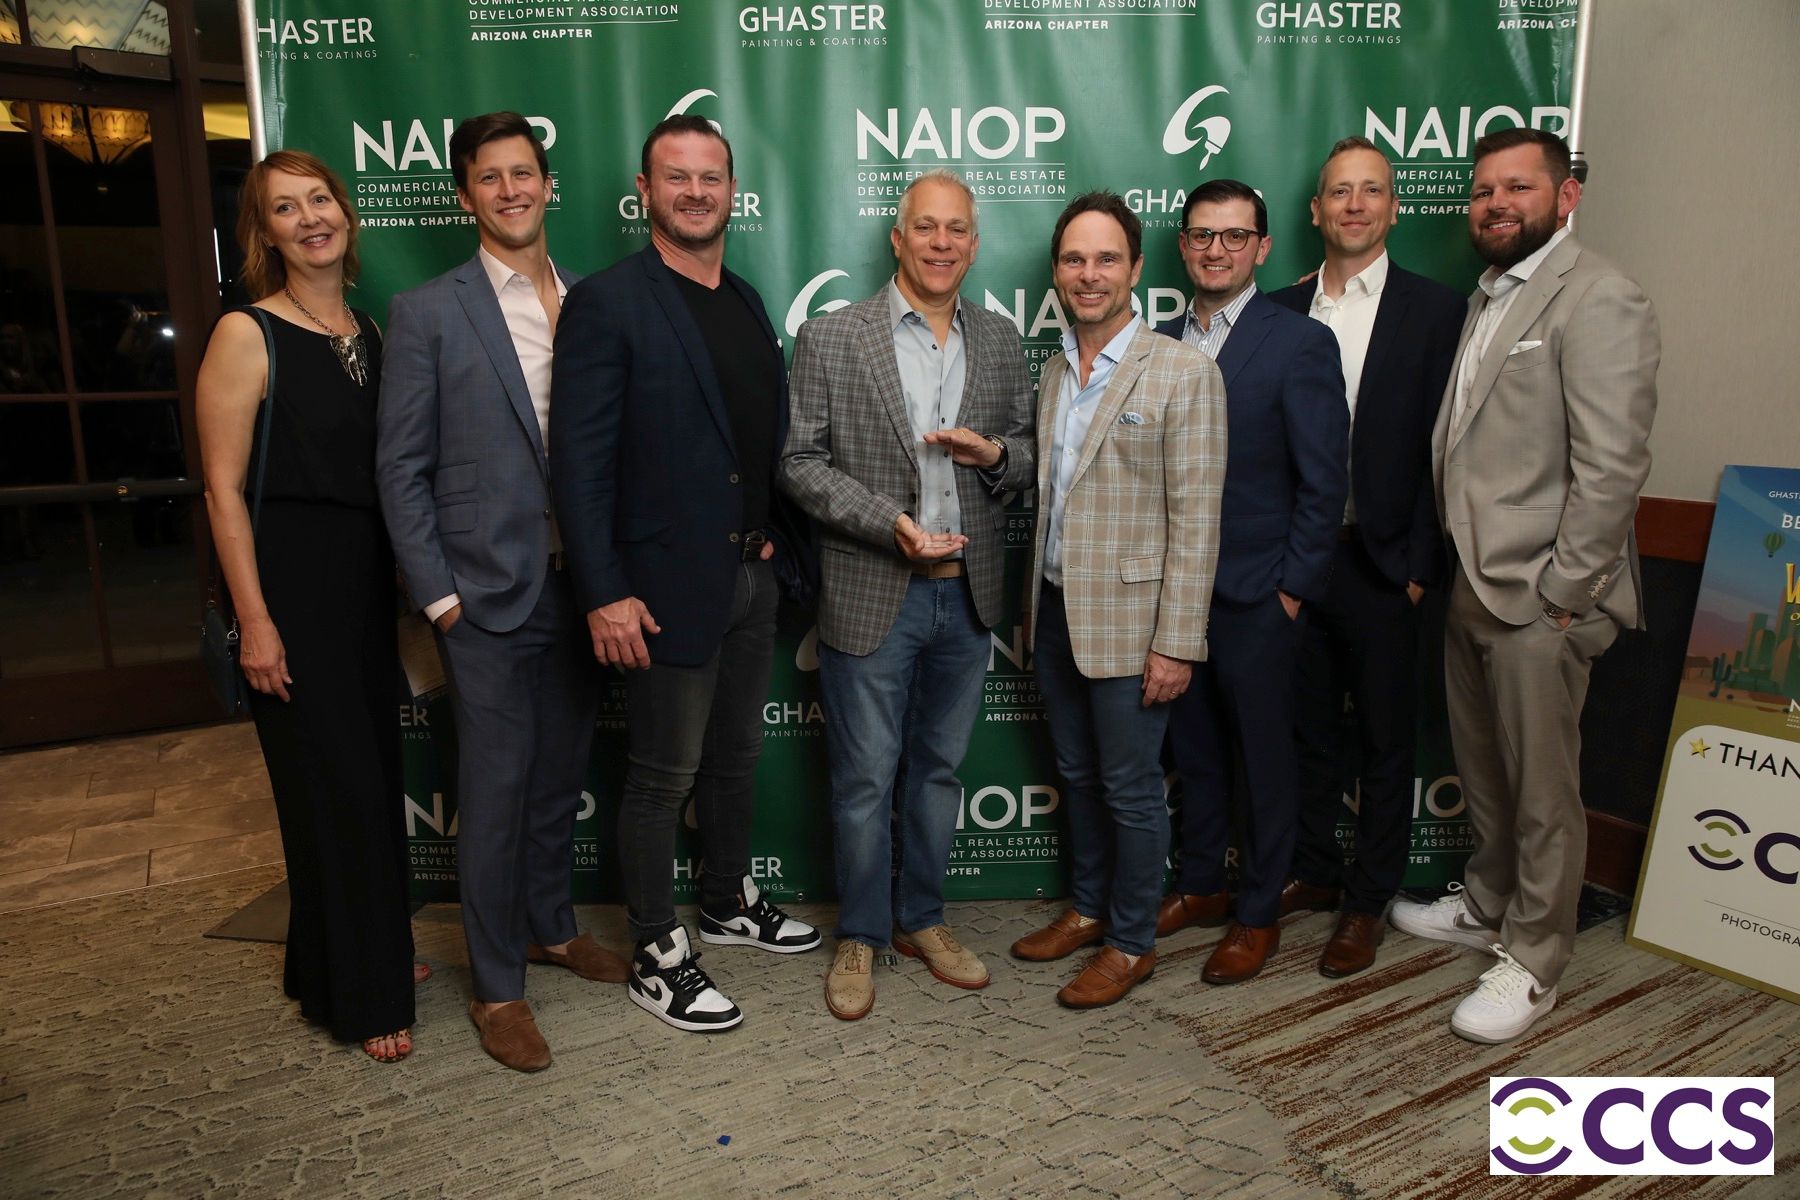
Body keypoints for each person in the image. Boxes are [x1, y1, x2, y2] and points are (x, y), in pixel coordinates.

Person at [552, 115, 819, 1036]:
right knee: (662, 776)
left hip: (749, 578)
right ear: (645, 190)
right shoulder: (608, 302)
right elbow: (578, 464)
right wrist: (603, 591)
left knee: (735, 758)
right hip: (657, 591)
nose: (696, 192)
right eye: (677, 177)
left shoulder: (745, 298)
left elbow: (755, 439)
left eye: (711, 177)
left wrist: (773, 537)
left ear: (733, 189)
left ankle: (726, 899)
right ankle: (656, 952)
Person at [1391, 128, 1659, 1043]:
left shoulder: (1600, 296)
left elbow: (1613, 467)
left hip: (1542, 594)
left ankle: (1538, 957)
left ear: (1566, 196)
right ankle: (1488, 903)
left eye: (1519, 187)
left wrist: (1563, 595)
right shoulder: (1490, 294)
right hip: (1475, 580)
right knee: (1485, 770)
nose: (1496, 204)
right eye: (1483, 191)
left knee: (1543, 790)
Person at [378, 112, 625, 1073]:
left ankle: (550, 929)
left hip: (582, 588)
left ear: (548, 185)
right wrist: (438, 597)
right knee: (491, 794)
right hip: (483, 595)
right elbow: (400, 468)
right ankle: (495, 987)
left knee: (559, 779)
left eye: (525, 173)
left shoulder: (591, 300)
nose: (511, 190)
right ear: (464, 194)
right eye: (491, 177)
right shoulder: (427, 311)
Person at [781, 169, 1035, 1020]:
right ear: (897, 238)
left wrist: (993, 455)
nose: (940, 242)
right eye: (925, 226)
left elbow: (1029, 453)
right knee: (863, 781)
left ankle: (922, 917)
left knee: (936, 773)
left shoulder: (999, 340)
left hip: (966, 600)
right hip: (871, 592)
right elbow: (798, 463)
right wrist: (887, 521)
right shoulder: (832, 337)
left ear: (974, 244)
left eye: (956, 229)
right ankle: (861, 934)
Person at [197, 150, 415, 1063]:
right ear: (266, 233)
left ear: (346, 214)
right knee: (337, 790)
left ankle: (344, 955)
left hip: (365, 588)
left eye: (320, 199)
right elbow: (221, 489)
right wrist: (255, 620)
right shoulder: (246, 333)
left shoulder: (370, 329)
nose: (310, 218)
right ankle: (366, 996)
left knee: (366, 781)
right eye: (285, 208)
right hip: (290, 589)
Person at [1009, 193, 1226, 1007]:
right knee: (1077, 773)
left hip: (1136, 629)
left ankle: (1132, 942)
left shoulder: (1183, 371)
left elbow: (1197, 520)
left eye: (1106, 258)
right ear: (1057, 272)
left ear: (1136, 269)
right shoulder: (1055, 371)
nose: (1089, 274)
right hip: (1056, 612)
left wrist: (1177, 642)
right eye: (1074, 259)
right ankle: (1090, 908)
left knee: (1132, 790)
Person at [1267, 138, 1466, 977]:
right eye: (1339, 192)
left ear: (1393, 207)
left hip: (1386, 566)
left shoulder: (1439, 310)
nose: (1354, 205)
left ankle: (1367, 899)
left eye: (1371, 191)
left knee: (1386, 743)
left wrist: (1419, 565)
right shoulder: (1279, 309)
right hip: (1296, 563)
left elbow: (1448, 445)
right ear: (1316, 210)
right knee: (1304, 729)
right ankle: (1314, 869)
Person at [1155, 179, 1349, 984]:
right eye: (1203, 235)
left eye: (1235, 236)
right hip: (1174, 596)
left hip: (1258, 593)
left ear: (1262, 248)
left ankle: (1259, 909)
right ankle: (1202, 883)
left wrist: (1291, 591)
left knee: (1265, 762)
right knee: (1194, 751)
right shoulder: (1158, 342)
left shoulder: (1299, 341)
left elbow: (1324, 480)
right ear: (1183, 246)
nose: (1217, 250)